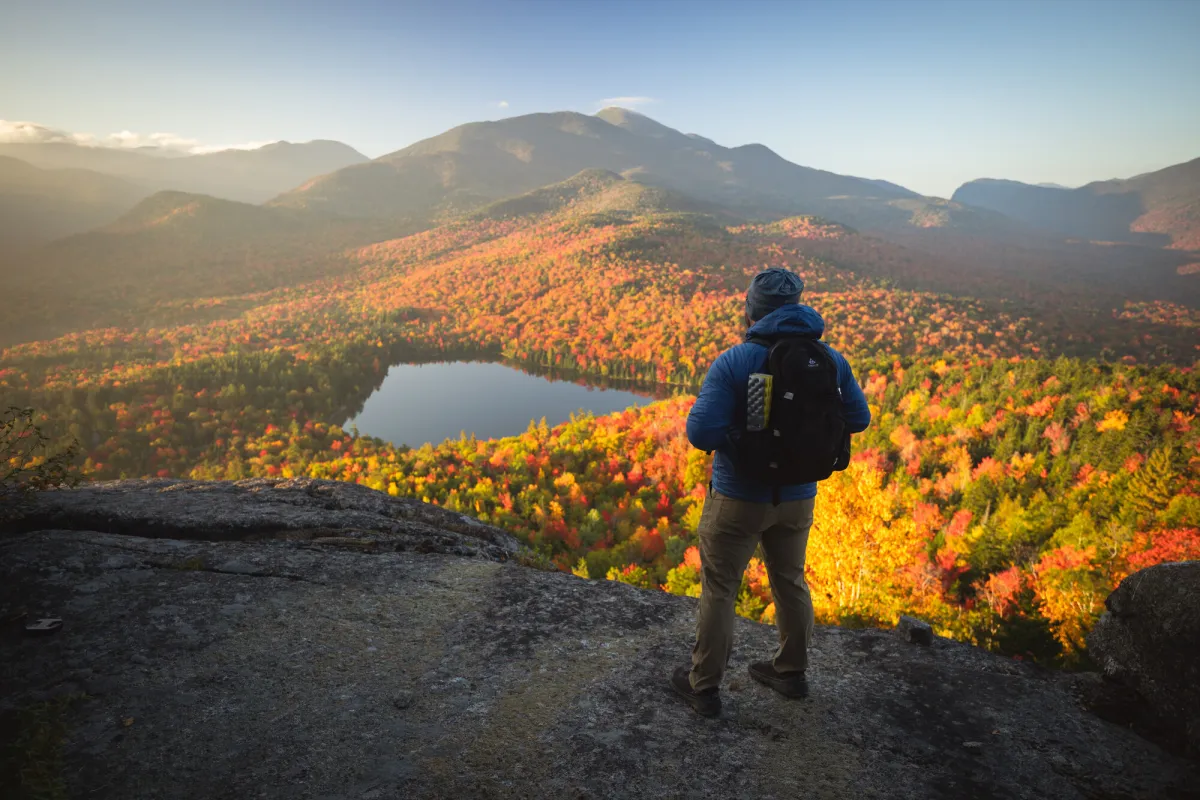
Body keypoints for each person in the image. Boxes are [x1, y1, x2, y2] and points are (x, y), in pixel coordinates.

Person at [669, 267, 871, 717]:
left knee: (721, 588)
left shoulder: (736, 361)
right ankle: (791, 672)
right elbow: (858, 420)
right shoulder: (831, 360)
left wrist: (747, 436)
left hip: (738, 496)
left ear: (751, 310)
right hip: (799, 497)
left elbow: (701, 432)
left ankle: (703, 686)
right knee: (790, 579)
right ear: (799, 304)